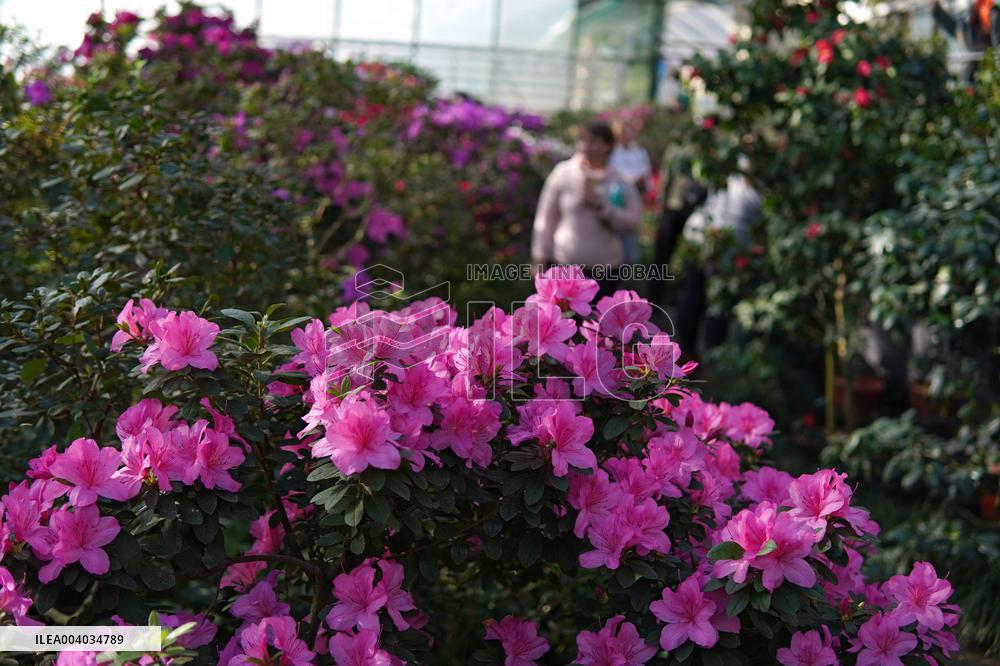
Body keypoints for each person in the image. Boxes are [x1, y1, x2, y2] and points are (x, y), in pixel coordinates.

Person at [531, 120, 641, 298]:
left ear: (607, 146)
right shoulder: (563, 173)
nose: (586, 146)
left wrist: (602, 207)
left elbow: (632, 222)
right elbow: (545, 218)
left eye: (593, 141)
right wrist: (540, 256)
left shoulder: (620, 181)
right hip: (564, 268)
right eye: (583, 140)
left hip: (605, 271)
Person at [675, 157, 761, 358]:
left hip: (708, 241)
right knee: (709, 300)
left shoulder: (727, 176)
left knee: (703, 299)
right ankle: (697, 353)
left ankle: (700, 353)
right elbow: (727, 223)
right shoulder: (743, 188)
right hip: (713, 245)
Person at [609, 118, 651, 266]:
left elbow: (646, 175)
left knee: (630, 237)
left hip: (634, 199)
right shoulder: (612, 152)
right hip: (616, 201)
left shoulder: (639, 152)